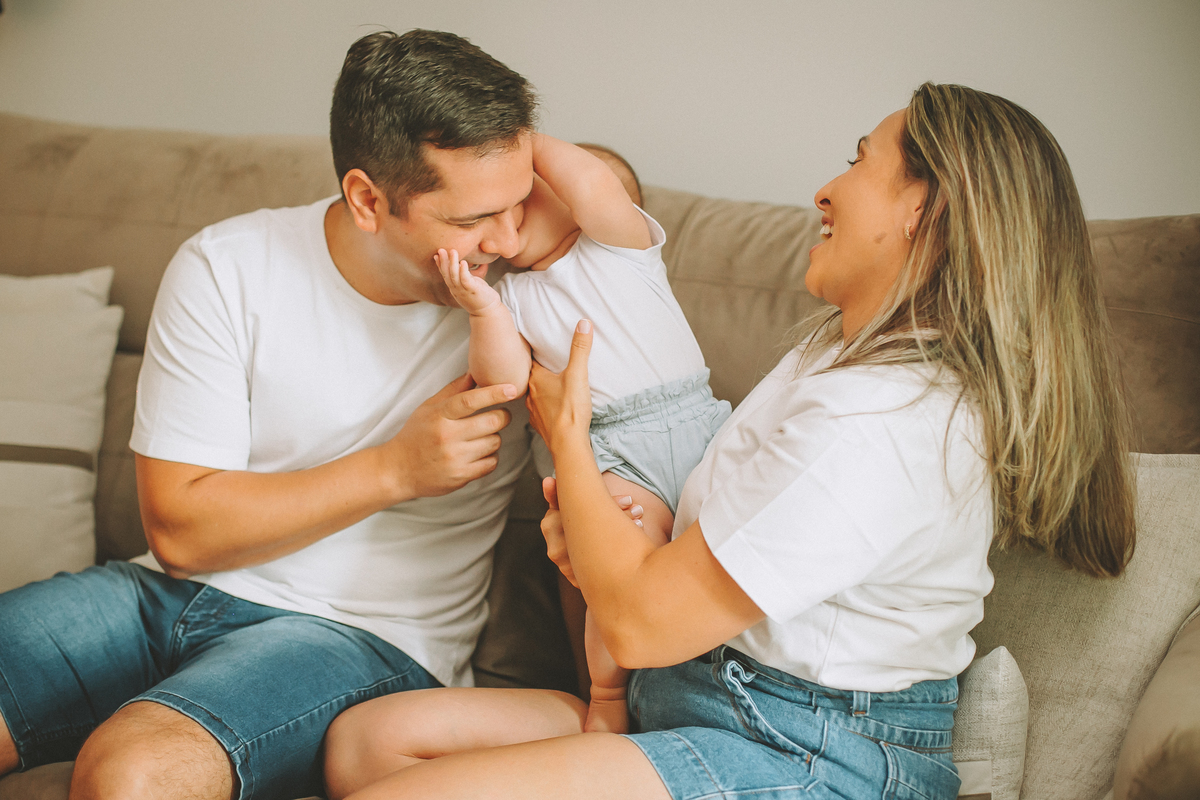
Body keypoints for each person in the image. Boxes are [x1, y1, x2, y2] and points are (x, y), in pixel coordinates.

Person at [327, 82, 1137, 800]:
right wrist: (598, 540)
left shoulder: (883, 426)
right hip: (692, 696)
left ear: (920, 209)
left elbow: (642, 623)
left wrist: (568, 436)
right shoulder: (838, 350)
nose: (825, 190)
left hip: (803, 750)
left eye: (859, 161)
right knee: (365, 747)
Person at [0, 29, 539, 800]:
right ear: (366, 199)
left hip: (363, 634)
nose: (510, 240)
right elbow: (182, 533)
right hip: (165, 591)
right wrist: (394, 469)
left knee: (134, 773)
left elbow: (618, 202)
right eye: (471, 221)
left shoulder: (535, 294)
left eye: (520, 202)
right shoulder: (228, 267)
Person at [321, 135, 728, 797]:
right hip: (601, 450)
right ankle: (605, 699)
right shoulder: (508, 293)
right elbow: (506, 379)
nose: (506, 222)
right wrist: (482, 307)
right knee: (612, 564)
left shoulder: (622, 252)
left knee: (658, 562)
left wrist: (515, 136)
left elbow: (595, 184)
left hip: (686, 425)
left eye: (526, 194)